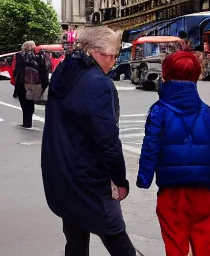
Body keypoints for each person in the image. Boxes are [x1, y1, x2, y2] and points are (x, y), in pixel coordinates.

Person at [41, 27, 137, 256]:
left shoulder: (66, 72)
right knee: (116, 237)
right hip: (88, 177)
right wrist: (119, 178)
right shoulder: (96, 83)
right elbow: (106, 139)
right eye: (111, 55)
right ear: (94, 52)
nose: (114, 62)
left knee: (75, 239)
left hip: (62, 171)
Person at [137, 50, 210, 256]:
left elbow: (151, 147)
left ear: (165, 76)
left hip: (172, 190)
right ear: (196, 76)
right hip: (202, 191)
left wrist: (144, 177)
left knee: (175, 244)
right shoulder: (204, 110)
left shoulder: (159, 110)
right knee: (207, 244)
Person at [13, 41, 45, 128]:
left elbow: (17, 69)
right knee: (30, 102)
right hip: (36, 83)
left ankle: (26, 123)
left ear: (25, 47)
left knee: (24, 103)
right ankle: (29, 122)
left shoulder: (20, 55)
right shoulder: (40, 56)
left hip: (23, 82)